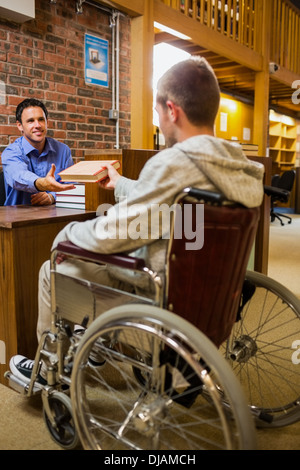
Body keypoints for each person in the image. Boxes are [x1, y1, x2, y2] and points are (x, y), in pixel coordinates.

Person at [9, 56, 265, 383]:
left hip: (158, 297)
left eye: (158, 112)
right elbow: (169, 202)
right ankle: (96, 347)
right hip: (212, 296)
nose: (159, 121)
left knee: (54, 265)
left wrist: (67, 233)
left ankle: (47, 369)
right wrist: (122, 184)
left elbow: (115, 234)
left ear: (173, 110)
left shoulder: (174, 163)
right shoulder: (238, 166)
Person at [1, 98, 75, 206]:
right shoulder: (11, 152)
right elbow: (18, 176)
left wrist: (52, 196)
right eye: (30, 121)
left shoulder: (63, 151)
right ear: (19, 125)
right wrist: (43, 183)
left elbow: (72, 186)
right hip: (18, 219)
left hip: (57, 217)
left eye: (41, 119)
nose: (37, 125)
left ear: (47, 122)